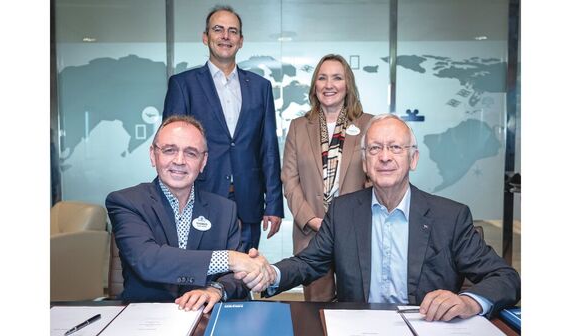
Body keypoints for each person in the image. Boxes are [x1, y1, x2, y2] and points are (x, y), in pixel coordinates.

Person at [243, 114, 521, 321]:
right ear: (365, 163)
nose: (384, 157)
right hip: (360, 327)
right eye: (375, 149)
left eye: (395, 148)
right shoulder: (343, 211)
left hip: (426, 327)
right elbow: (308, 263)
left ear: (413, 159)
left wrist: (469, 302)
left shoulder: (450, 216)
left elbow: (505, 277)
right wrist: (271, 274)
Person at [106, 115, 275, 313]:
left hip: (204, 318)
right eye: (169, 150)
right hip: (145, 317)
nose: (179, 161)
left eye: (191, 153)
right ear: (153, 155)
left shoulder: (224, 210)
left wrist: (216, 289)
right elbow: (148, 260)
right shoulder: (126, 202)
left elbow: (237, 277)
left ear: (203, 162)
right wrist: (230, 258)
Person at [162, 5, 283, 252]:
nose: (225, 36)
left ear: (241, 41)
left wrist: (273, 204)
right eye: (218, 30)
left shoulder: (261, 87)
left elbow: (268, 148)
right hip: (198, 196)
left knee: (244, 276)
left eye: (232, 31)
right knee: (201, 275)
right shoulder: (184, 85)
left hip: (248, 201)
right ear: (206, 37)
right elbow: (170, 147)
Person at [281, 54, 372, 301]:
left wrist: (353, 219)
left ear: (348, 85)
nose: (328, 84)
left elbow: (373, 179)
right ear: (314, 85)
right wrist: (310, 219)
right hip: (312, 234)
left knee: (356, 306)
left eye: (337, 78)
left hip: (355, 231)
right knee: (315, 308)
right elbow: (289, 179)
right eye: (322, 78)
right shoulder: (299, 126)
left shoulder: (368, 124)